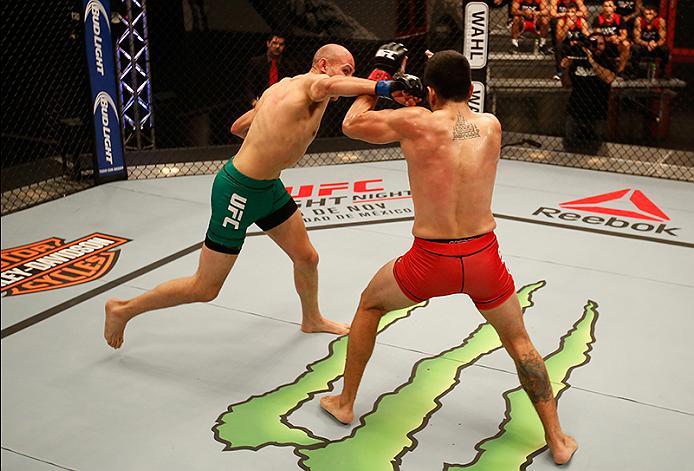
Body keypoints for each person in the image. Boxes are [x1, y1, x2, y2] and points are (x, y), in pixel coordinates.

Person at [320, 50, 578, 465]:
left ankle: (346, 402)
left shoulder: (415, 122)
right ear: (472, 89)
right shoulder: (491, 125)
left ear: (431, 92)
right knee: (519, 341)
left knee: (369, 304)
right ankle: (558, 438)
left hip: (429, 262)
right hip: (483, 260)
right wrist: (427, 101)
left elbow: (351, 124)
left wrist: (383, 78)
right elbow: (457, 126)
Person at [103, 43, 422, 349]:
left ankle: (311, 318)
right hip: (238, 191)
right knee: (205, 287)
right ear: (323, 65)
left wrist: (268, 137)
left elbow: (238, 126)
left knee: (307, 258)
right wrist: (381, 88)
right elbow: (326, 86)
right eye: (345, 69)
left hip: (268, 188)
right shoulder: (314, 84)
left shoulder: (284, 89)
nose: (347, 77)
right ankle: (123, 309)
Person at [560, 33, 617, 154]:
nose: (597, 47)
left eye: (600, 44)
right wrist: (565, 69)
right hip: (575, 111)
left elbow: (609, 78)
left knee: (596, 148)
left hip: (597, 113)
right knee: (570, 147)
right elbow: (566, 84)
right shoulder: (577, 59)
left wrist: (591, 61)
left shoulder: (607, 60)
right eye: (594, 43)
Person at [245, 33, 295, 108]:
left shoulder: (289, 65)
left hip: (281, 103)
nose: (278, 46)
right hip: (260, 102)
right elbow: (249, 86)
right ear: (268, 43)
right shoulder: (256, 62)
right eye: (274, 43)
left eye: (281, 44)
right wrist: (254, 102)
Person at [592, 0, 631, 75]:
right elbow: (597, 36)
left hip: (616, 44)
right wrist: (610, 38)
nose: (607, 8)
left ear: (614, 8)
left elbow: (624, 35)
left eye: (610, 6)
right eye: (605, 6)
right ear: (602, 8)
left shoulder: (619, 18)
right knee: (597, 43)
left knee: (626, 44)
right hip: (603, 45)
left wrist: (617, 38)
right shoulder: (598, 19)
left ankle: (620, 71)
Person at [631, 4, 669, 77]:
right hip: (643, 46)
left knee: (665, 49)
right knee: (635, 48)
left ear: (655, 14)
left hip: (655, 46)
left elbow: (662, 39)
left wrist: (655, 44)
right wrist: (647, 44)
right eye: (646, 14)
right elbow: (636, 38)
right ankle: (635, 71)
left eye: (650, 14)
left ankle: (662, 71)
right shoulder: (639, 20)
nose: (647, 16)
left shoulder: (660, 21)